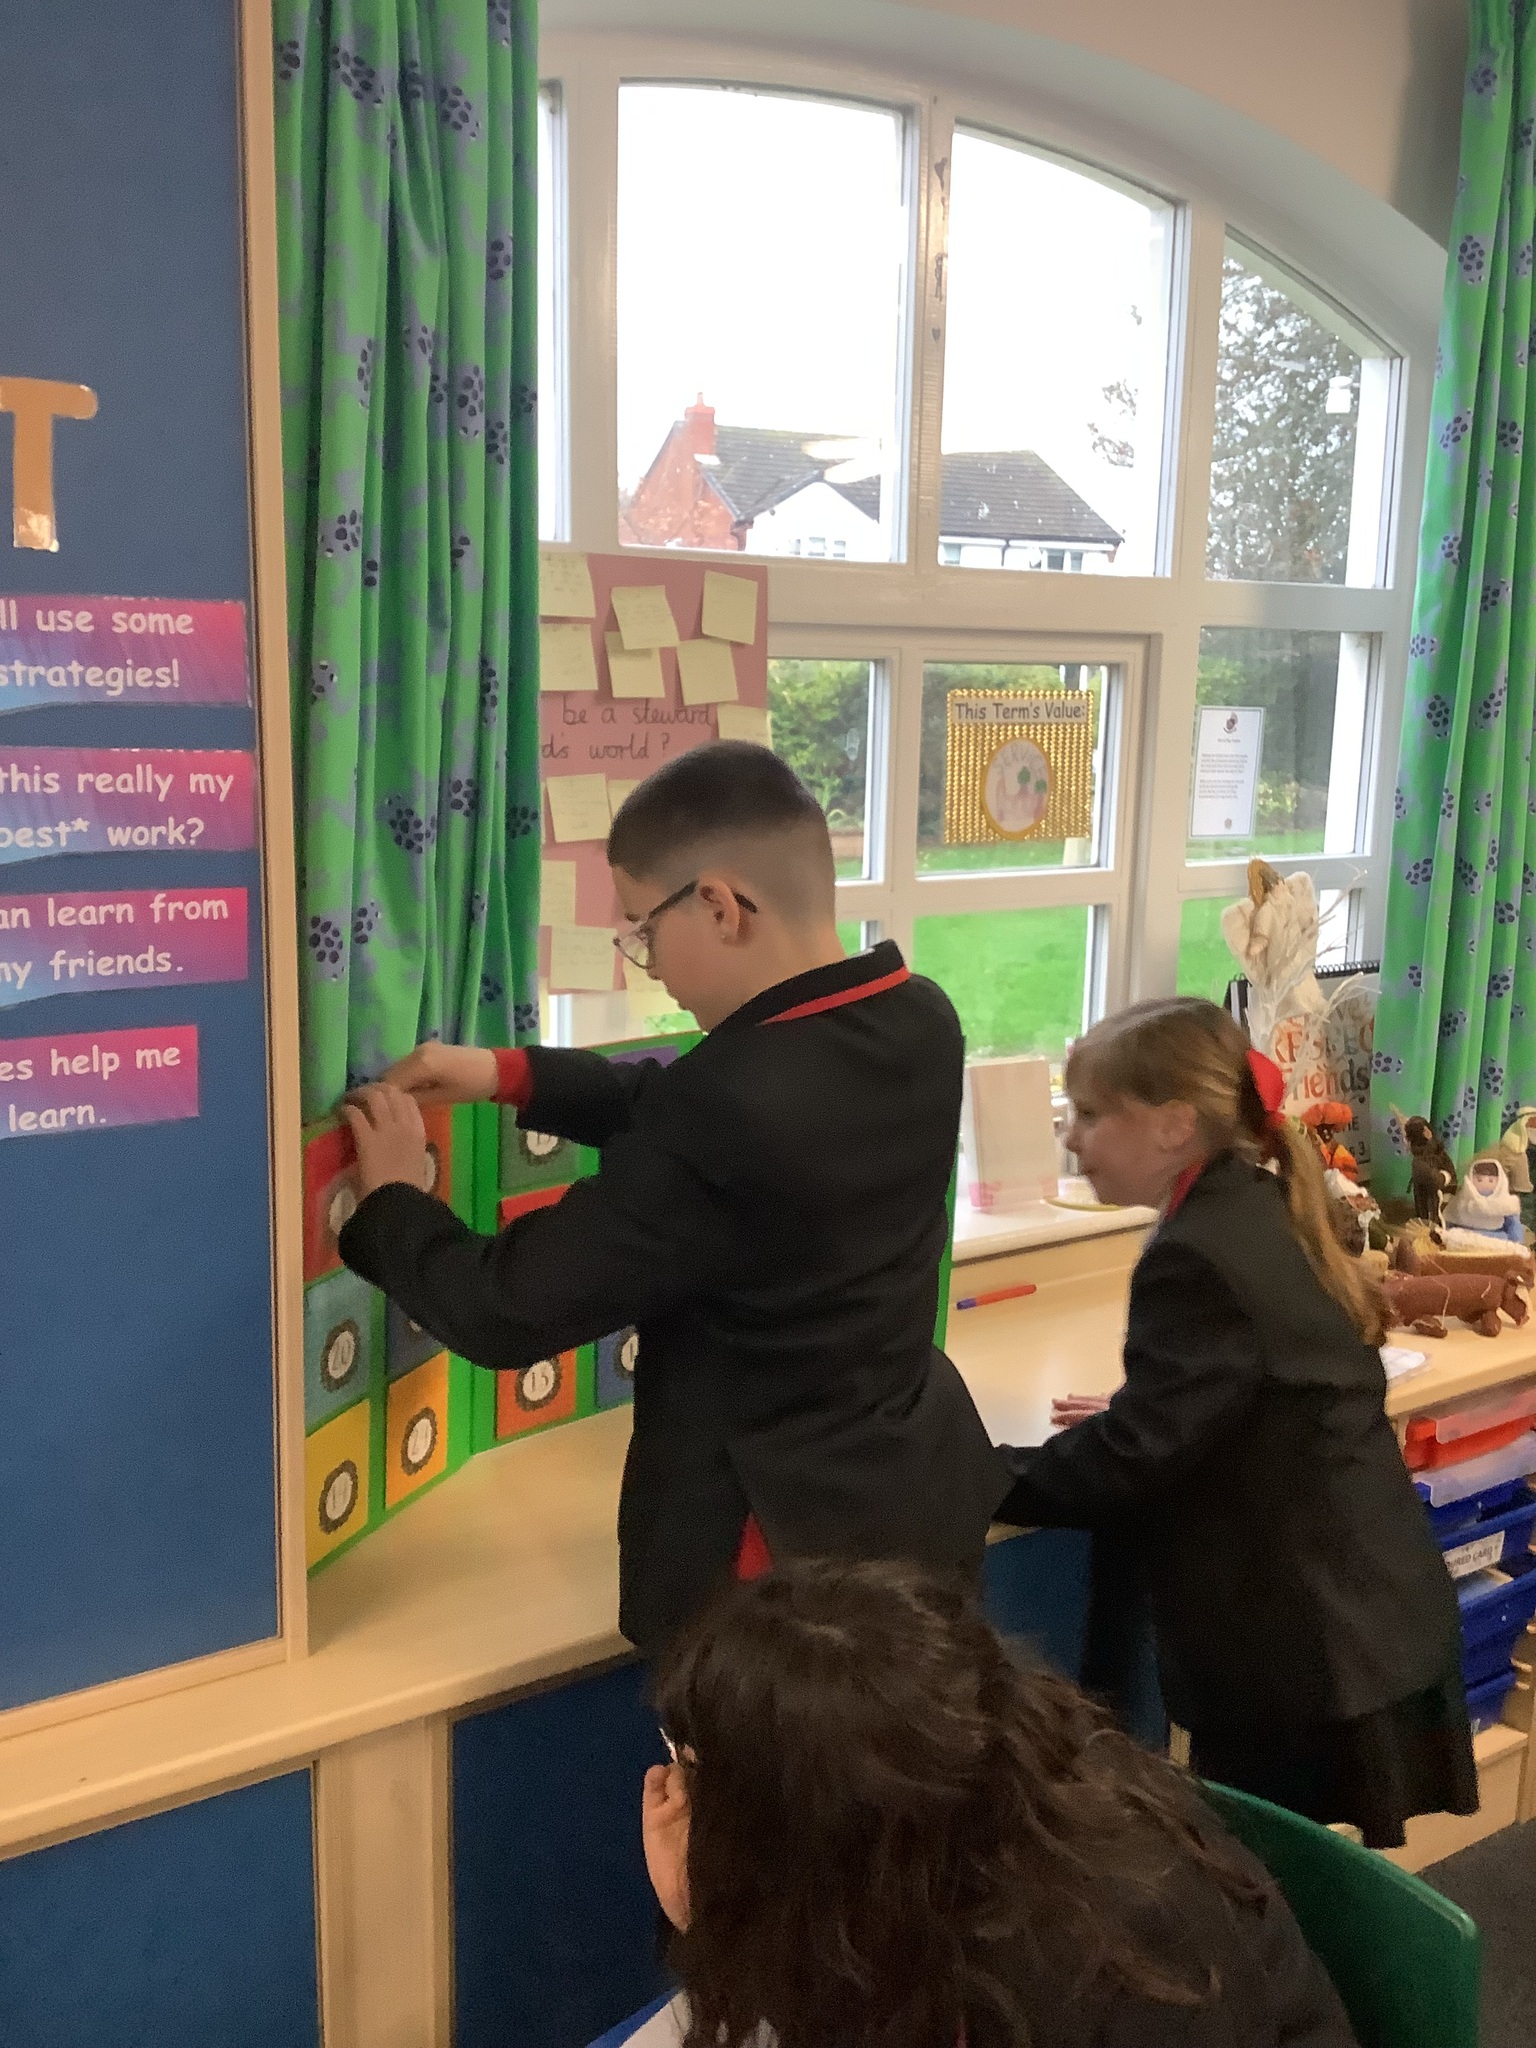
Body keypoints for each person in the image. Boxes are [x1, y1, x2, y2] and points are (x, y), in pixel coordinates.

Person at [337, 743, 1007, 1651]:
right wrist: (509, 1073)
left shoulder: (730, 1105)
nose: (646, 965)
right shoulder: (916, 1015)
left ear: (722, 907)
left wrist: (388, 1200)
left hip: (777, 1583)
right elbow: (696, 1110)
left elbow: (504, 1307)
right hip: (908, 1510)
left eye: (643, 933)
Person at [997, 997, 1475, 1849]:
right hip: (1362, 1617)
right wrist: (1156, 1407)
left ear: (1174, 1125)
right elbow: (1235, 1390)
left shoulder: (1195, 1252)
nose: (1073, 1139)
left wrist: (984, 1473)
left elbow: (1133, 1458)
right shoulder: (1253, 1201)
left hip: (1312, 1648)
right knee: (1295, 1879)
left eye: (1093, 1116)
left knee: (1273, 1878)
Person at [638, 1557, 1358, 2048]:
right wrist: (709, 1914)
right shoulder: (926, 1847)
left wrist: (712, 1912)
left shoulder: (1104, 1956)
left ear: (820, 1820)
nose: (678, 1791)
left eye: (699, 1770)